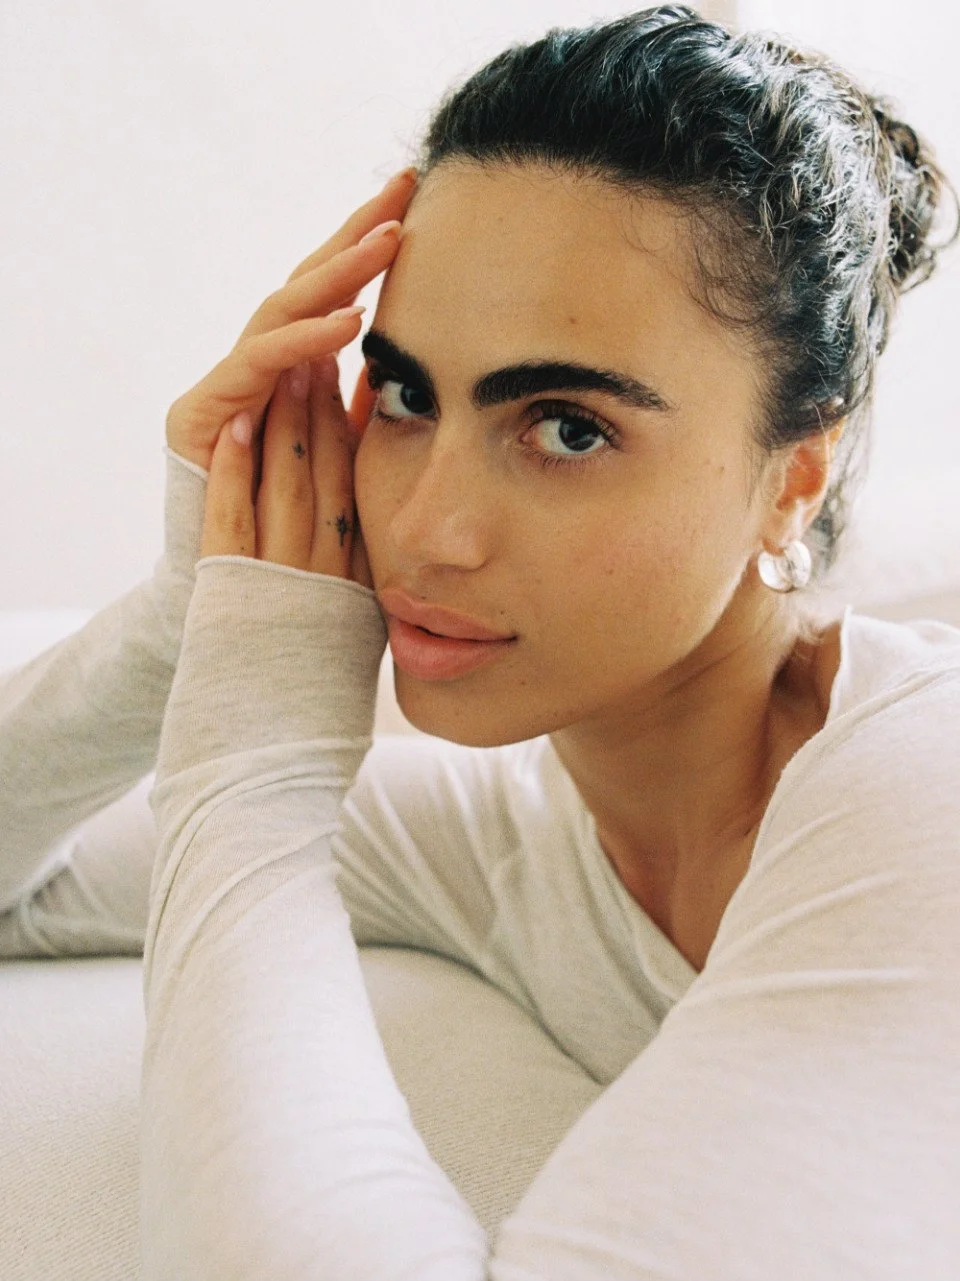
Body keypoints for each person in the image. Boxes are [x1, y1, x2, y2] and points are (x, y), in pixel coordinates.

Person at [2, 4, 959, 1277]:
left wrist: (259, 763)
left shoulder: (925, 784)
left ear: (794, 476)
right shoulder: (515, 846)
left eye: (567, 428)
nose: (423, 529)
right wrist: (188, 612)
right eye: (403, 396)